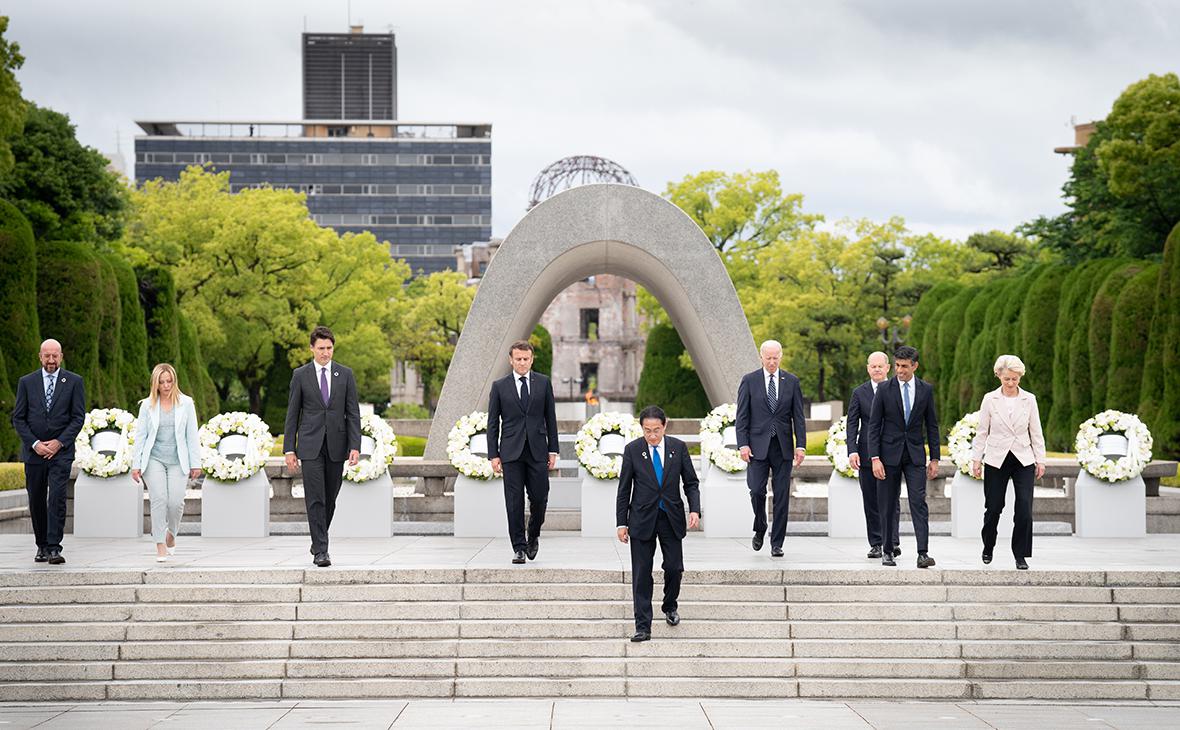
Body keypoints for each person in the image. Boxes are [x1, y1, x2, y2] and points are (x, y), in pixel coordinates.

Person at [616, 405, 701, 642]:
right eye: (647, 430)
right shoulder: (633, 450)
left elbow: (691, 482)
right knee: (641, 573)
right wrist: (621, 523)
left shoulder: (678, 448)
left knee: (674, 567)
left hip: (670, 517)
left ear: (665, 426)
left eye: (656, 430)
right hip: (642, 519)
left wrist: (694, 509)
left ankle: (669, 604)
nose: (652, 436)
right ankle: (643, 626)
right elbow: (624, 490)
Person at [284, 326, 361, 568]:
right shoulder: (301, 375)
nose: (325, 353)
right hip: (310, 446)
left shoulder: (345, 374)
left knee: (331, 498)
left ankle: (318, 539)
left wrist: (355, 446)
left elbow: (353, 413)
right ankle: (322, 551)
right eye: (321, 348)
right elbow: (292, 414)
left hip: (337, 446)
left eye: (329, 348)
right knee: (315, 498)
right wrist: (289, 449)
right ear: (312, 349)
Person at [11, 339, 86, 565]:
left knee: (56, 498)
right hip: (34, 453)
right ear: (40, 356)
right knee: (36, 498)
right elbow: (19, 418)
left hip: (61, 453)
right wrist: (35, 443)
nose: (51, 360)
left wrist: (59, 443)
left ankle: (54, 547)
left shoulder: (74, 382)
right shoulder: (26, 382)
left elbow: (78, 417)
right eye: (47, 356)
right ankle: (41, 546)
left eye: (55, 356)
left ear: (61, 356)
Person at [971, 355, 1046, 570]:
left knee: (1024, 508)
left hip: (1023, 457)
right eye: (1007, 379)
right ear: (999, 376)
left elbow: (1036, 431)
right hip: (996, 458)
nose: (1011, 383)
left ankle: (1020, 554)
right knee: (994, 507)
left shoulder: (1029, 399)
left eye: (1015, 379)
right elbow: (982, 431)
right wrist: (977, 459)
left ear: (1020, 377)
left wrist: (1040, 460)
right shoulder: (990, 399)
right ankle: (988, 545)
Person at [487, 340, 559, 564]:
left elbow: (551, 418)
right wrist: (493, 454)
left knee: (539, 498)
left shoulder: (543, 383)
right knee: (513, 501)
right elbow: (492, 423)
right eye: (518, 359)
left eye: (525, 359)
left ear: (531, 359)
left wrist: (553, 449)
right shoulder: (499, 386)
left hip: (537, 451)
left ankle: (533, 533)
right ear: (511, 360)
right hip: (510, 452)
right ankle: (518, 547)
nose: (522, 363)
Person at [868, 345, 940, 569]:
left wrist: (935, 458)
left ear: (915, 366)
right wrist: (875, 458)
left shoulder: (925, 390)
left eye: (904, 366)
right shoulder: (884, 389)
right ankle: (887, 551)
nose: (899, 370)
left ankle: (922, 553)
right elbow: (874, 426)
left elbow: (932, 425)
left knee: (918, 503)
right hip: (888, 457)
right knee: (888, 504)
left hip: (915, 456)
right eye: (897, 365)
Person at [735, 340, 805, 557]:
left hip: (783, 447)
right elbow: (742, 416)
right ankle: (760, 525)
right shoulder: (749, 381)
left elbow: (798, 417)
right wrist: (743, 444)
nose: (772, 362)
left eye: (776, 358)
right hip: (757, 447)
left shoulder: (792, 382)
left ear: (781, 356)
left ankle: (777, 543)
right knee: (756, 490)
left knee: (782, 495)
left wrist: (800, 445)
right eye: (768, 358)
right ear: (761, 357)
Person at [131, 364, 202, 562]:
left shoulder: (186, 403)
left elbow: (191, 436)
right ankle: (160, 544)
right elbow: (141, 436)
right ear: (155, 383)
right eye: (161, 382)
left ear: (174, 381)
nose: (166, 385)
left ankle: (171, 533)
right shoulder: (147, 405)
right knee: (159, 499)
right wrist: (135, 464)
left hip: (178, 460)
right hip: (154, 459)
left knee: (176, 502)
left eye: (169, 381)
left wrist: (196, 463)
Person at [846, 351, 900, 560]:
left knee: (891, 499)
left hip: (893, 453)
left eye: (881, 366)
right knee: (871, 500)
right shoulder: (860, 393)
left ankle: (892, 542)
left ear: (888, 368)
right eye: (873, 366)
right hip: (867, 452)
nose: (877, 369)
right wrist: (852, 450)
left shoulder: (899, 390)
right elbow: (852, 423)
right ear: (868, 368)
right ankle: (877, 543)